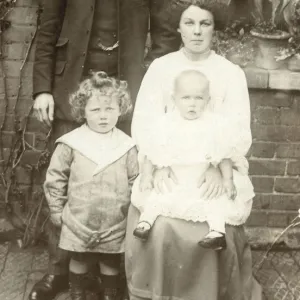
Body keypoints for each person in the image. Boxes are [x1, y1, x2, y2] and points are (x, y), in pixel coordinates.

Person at [30, 0, 178, 299]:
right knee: (68, 183)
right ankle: (59, 269)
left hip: (125, 96)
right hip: (73, 85)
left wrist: (147, 78)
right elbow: (47, 32)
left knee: (119, 186)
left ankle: (114, 273)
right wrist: (43, 89)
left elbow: (165, 36)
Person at [126, 1, 263, 299]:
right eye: (190, 23)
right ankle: (157, 290)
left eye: (205, 23)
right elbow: (145, 123)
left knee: (216, 211)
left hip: (213, 164)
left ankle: (213, 291)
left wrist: (217, 167)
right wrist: (159, 163)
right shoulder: (162, 68)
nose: (197, 31)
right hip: (168, 163)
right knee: (160, 221)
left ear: (215, 28)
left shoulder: (230, 72)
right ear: (178, 27)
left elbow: (239, 129)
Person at [132, 70, 255, 250]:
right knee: (160, 195)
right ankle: (146, 222)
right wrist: (147, 175)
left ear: (207, 100)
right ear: (174, 99)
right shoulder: (166, 123)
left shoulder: (214, 124)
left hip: (201, 178)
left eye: (198, 98)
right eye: (186, 98)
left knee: (214, 201)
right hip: (174, 176)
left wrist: (228, 180)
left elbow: (224, 156)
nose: (192, 104)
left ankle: (216, 232)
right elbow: (152, 151)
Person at [44, 72, 139, 300]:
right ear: (82, 111)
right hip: (79, 219)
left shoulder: (126, 146)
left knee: (110, 260)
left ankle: (109, 294)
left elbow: (136, 181)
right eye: (95, 110)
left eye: (110, 109)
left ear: (121, 110)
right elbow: (55, 177)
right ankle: (77, 293)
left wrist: (132, 215)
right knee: (79, 258)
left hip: (115, 221)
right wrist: (57, 210)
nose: (103, 116)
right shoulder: (72, 143)